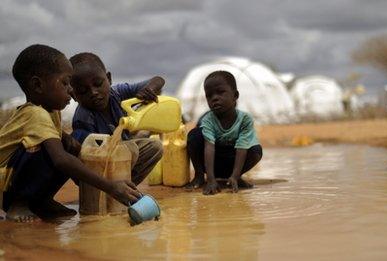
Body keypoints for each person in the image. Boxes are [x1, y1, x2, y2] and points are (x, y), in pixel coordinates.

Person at [0, 44, 142, 222]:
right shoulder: (35, 114)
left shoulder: (51, 111)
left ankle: (41, 201)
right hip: (5, 184)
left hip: (13, 177)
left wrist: (74, 145)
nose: (71, 90)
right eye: (65, 83)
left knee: (69, 145)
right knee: (49, 153)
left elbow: (63, 144)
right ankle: (18, 203)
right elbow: (61, 161)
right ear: (38, 85)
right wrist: (111, 187)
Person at [69, 52, 163, 185]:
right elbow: (88, 157)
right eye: (83, 91)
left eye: (98, 84)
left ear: (109, 78)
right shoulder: (84, 118)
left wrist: (149, 89)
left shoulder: (117, 93)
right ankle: (112, 190)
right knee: (131, 148)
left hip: (121, 156)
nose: (93, 92)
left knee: (154, 147)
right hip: (98, 169)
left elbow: (158, 80)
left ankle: (126, 187)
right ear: (74, 96)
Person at [186, 71, 263, 195]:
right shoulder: (208, 120)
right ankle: (199, 176)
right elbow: (209, 148)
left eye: (220, 92)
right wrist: (210, 179)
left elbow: (242, 148)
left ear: (235, 95)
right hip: (212, 163)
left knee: (256, 150)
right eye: (209, 95)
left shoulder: (245, 119)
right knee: (194, 135)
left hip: (233, 163)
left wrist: (235, 175)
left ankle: (235, 178)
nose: (214, 98)